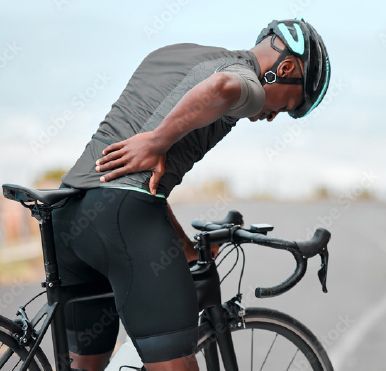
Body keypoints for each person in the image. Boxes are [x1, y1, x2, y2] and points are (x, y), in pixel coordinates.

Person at [52, 18, 330, 371]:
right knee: (175, 363)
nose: (274, 116)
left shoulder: (176, 54)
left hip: (67, 214)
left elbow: (146, 187)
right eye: (289, 105)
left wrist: (183, 246)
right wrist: (157, 141)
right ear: (285, 67)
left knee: (86, 365)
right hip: (121, 219)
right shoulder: (246, 80)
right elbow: (224, 87)